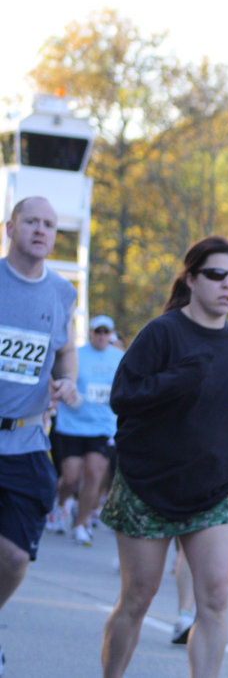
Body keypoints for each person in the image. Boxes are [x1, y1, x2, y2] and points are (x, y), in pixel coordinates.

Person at [99, 235, 228, 678]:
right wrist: (177, 380)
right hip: (148, 486)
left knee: (215, 598)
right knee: (138, 598)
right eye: (216, 275)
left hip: (214, 489)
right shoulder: (162, 333)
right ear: (192, 278)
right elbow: (123, 397)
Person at [0, 196, 78, 675]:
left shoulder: (62, 292)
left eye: (49, 224)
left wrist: (66, 380)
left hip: (27, 442)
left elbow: (64, 351)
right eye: (31, 220)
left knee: (13, 557)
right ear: (9, 227)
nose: (41, 230)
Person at [50, 315, 124, 546]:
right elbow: (57, 378)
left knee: (94, 474)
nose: (101, 336)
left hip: (102, 426)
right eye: (97, 331)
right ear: (91, 332)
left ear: (110, 334)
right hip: (72, 425)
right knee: (70, 476)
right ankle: (61, 505)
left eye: (105, 332)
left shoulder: (119, 357)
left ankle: (81, 524)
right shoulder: (77, 355)